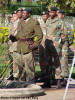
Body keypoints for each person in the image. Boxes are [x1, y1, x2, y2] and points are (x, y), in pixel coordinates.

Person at [10, 8, 43, 82]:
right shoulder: (20, 22)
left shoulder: (34, 22)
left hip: (28, 47)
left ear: (29, 14)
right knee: (20, 66)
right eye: (23, 13)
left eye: (25, 13)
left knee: (29, 67)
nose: (23, 14)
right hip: (19, 47)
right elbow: (19, 35)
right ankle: (22, 82)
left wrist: (35, 45)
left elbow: (40, 35)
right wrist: (13, 38)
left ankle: (31, 83)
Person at [46, 6, 71, 88]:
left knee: (57, 62)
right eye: (49, 12)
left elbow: (64, 34)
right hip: (48, 43)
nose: (50, 14)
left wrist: (59, 41)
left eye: (52, 12)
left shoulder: (60, 21)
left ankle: (58, 81)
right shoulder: (48, 20)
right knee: (49, 62)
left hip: (56, 45)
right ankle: (49, 80)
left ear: (56, 12)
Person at [57, 9, 73, 86]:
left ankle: (65, 78)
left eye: (59, 14)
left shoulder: (66, 24)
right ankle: (57, 78)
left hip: (64, 45)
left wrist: (67, 44)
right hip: (56, 45)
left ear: (63, 15)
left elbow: (71, 36)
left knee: (64, 61)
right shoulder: (55, 23)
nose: (57, 15)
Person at [8, 11, 19, 80]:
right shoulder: (12, 23)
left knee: (16, 62)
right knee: (11, 61)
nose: (13, 17)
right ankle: (12, 74)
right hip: (11, 46)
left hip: (16, 45)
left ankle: (16, 76)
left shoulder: (19, 23)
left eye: (15, 15)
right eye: (13, 15)